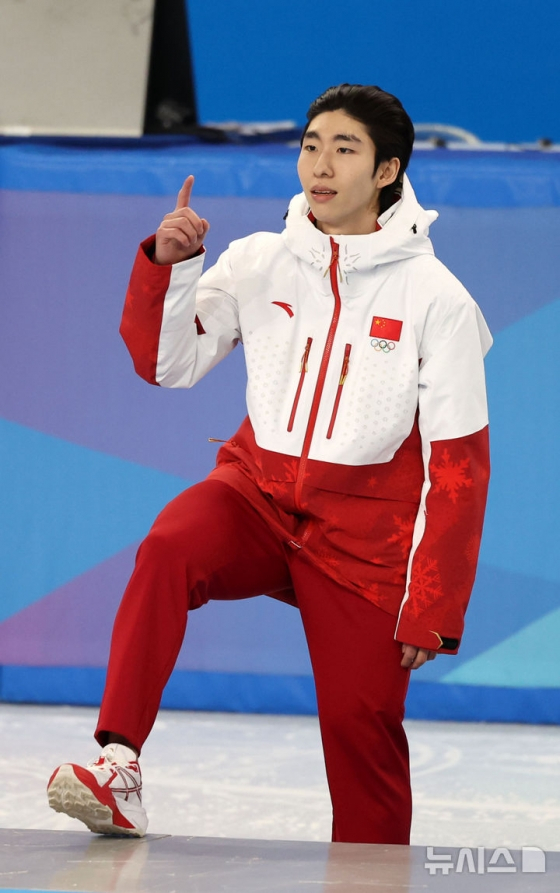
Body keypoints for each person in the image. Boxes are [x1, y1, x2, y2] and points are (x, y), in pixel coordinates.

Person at [47, 83, 491, 844]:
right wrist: (171, 264)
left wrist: (434, 603)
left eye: (344, 149)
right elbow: (166, 363)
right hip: (257, 496)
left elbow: (458, 466)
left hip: (365, 540)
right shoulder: (260, 260)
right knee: (169, 545)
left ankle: (373, 868)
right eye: (311, 144)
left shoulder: (437, 299)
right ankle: (118, 763)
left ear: (387, 171)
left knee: (364, 732)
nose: (319, 165)